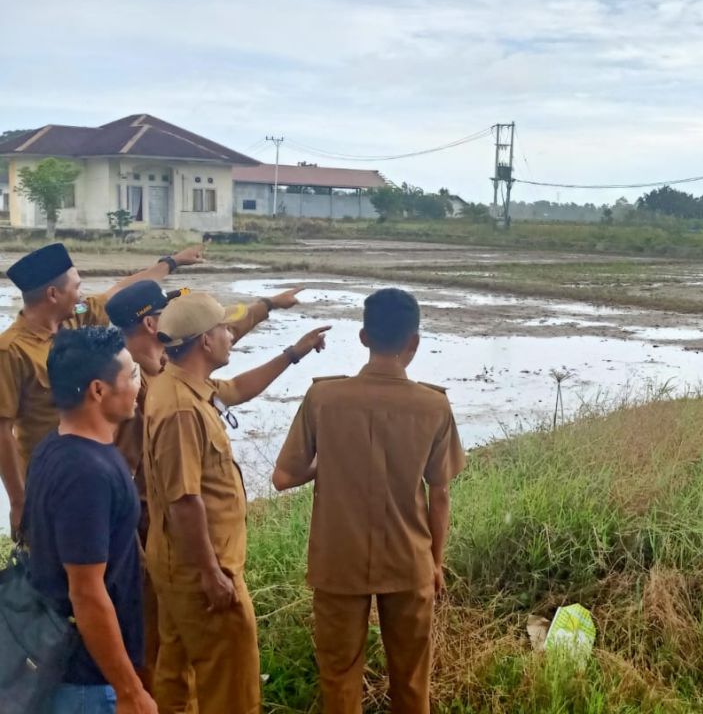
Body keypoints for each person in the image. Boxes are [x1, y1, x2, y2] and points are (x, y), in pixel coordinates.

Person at [104, 281, 307, 707]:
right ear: (203, 341)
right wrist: (211, 573)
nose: (231, 335)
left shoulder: (177, 382)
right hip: (202, 569)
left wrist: (293, 354)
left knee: (176, 680)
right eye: (224, 329)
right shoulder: (179, 406)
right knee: (231, 686)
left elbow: (234, 390)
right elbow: (184, 500)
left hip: (180, 565)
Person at [273, 288, 466, 714]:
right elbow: (441, 492)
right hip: (409, 559)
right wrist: (435, 562)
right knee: (412, 682)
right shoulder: (433, 406)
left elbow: (283, 478)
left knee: (339, 680)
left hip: (338, 561)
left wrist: (326, 466)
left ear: (363, 337)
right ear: (413, 342)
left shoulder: (323, 398)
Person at [0, 242, 205, 533]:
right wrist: (19, 502)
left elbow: (115, 293)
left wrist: (171, 262)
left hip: (92, 471)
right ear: (53, 294)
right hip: (49, 480)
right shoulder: (11, 350)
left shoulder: (75, 314)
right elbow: (2, 432)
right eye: (77, 287)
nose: (81, 294)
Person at [23, 326, 155, 714]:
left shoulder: (55, 445)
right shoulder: (87, 474)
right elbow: (87, 593)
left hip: (75, 669)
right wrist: (129, 691)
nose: (139, 382)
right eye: (131, 374)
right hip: (84, 682)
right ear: (98, 390)